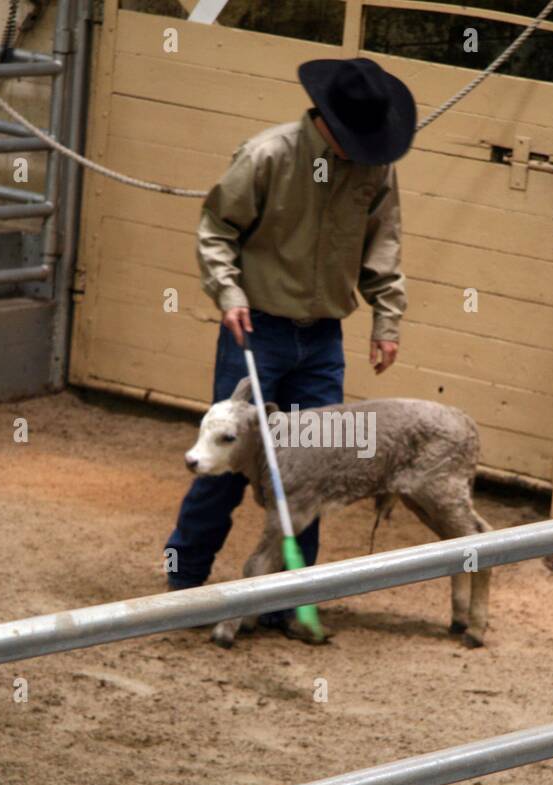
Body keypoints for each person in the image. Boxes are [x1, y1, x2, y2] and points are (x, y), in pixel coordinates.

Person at [163, 57, 416, 634]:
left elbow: (385, 246)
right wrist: (227, 292)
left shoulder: (375, 168)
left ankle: (282, 601)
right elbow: (216, 229)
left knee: (311, 469)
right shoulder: (266, 156)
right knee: (229, 460)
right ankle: (183, 579)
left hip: (324, 336)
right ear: (328, 120)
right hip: (257, 330)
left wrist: (387, 320)